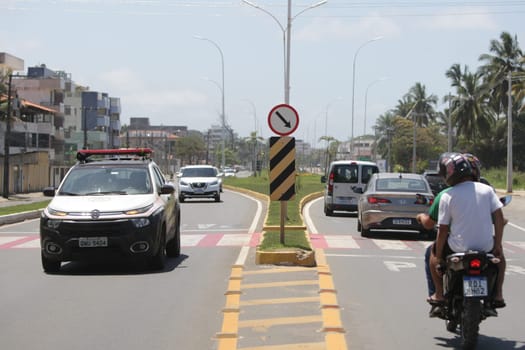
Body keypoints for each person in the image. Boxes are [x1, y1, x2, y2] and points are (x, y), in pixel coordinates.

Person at [428, 153, 506, 317]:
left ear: (449, 174)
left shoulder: (448, 195)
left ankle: (439, 294)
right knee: (500, 257)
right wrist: (497, 245)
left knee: (432, 253)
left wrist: (439, 256)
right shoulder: (487, 190)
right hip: (486, 247)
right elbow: (499, 219)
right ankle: (498, 294)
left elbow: (442, 230)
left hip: (458, 247)